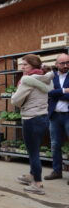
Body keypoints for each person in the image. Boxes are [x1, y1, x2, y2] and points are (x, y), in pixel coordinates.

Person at [12, 54, 54, 195]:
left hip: (31, 118)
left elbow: (15, 101)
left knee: (33, 152)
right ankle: (32, 175)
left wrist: (14, 95)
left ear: (33, 66)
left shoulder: (26, 80)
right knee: (35, 149)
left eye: (25, 65)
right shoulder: (46, 77)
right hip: (43, 117)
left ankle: (37, 184)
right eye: (22, 64)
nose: (22, 67)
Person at [44, 53, 69, 184]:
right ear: (56, 64)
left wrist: (56, 93)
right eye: (62, 63)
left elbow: (53, 94)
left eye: (67, 63)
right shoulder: (51, 77)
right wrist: (65, 91)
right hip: (54, 115)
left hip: (67, 115)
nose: (65, 66)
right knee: (55, 145)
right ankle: (57, 171)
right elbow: (47, 92)